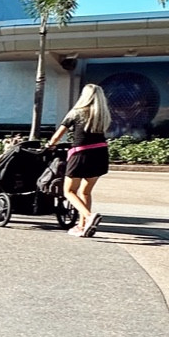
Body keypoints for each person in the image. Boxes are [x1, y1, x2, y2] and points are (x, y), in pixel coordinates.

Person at [46, 83, 111, 236]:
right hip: (101, 154)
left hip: (81, 155)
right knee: (86, 192)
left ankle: (89, 217)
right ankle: (82, 227)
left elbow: (58, 135)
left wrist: (50, 145)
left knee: (68, 190)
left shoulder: (76, 112)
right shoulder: (103, 115)